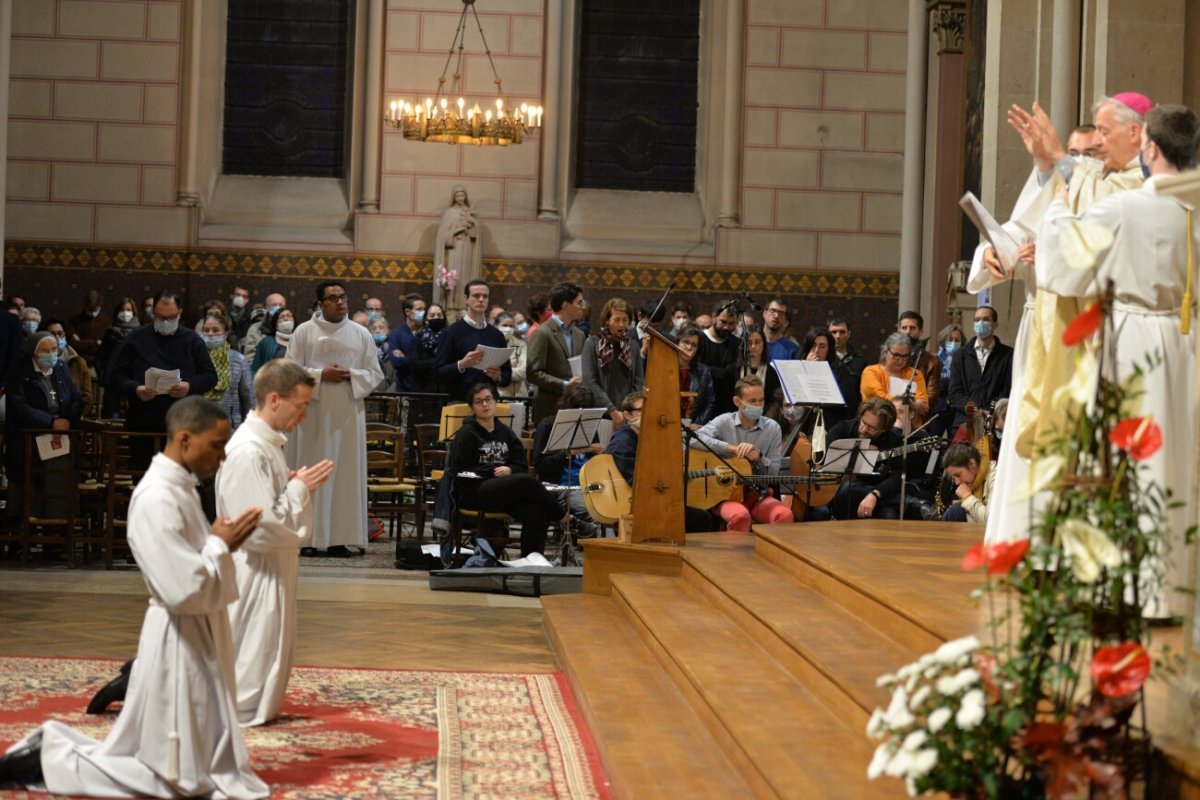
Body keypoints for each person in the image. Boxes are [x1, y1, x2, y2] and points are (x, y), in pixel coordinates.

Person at [0, 397, 268, 799]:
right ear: (184, 439)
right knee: (175, 780)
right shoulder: (157, 497)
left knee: (187, 756)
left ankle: (53, 749)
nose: (223, 455)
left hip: (194, 627)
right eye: (216, 444)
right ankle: (50, 758)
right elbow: (180, 588)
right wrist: (218, 545)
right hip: (177, 630)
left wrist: (219, 545)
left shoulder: (181, 488)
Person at [1034, 103, 1199, 618]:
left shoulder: (1129, 206)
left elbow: (1065, 257)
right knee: (1173, 464)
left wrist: (1060, 202)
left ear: (1149, 147)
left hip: (1129, 340)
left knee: (1125, 462)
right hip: (1183, 340)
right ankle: (1168, 593)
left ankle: (1125, 588)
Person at [218, 359, 333, 727]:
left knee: (264, 644)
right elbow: (259, 527)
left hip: (269, 568)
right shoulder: (249, 451)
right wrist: (298, 490)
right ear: (274, 399)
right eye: (300, 406)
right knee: (251, 647)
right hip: (254, 569)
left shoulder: (266, 446)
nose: (304, 416)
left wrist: (289, 485)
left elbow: (266, 503)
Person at [287, 280, 383, 557]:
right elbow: (289, 372)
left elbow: (375, 374)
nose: (340, 302)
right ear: (320, 304)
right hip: (311, 415)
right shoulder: (304, 332)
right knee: (311, 471)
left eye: (343, 297)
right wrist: (319, 375)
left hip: (347, 415)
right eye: (332, 298)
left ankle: (341, 538)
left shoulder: (361, 334)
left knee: (343, 475)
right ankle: (307, 539)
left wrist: (351, 374)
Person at [449, 382, 566, 558]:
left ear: (495, 401)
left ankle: (530, 562)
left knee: (536, 509)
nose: (485, 405)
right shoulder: (466, 433)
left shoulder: (505, 432)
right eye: (479, 401)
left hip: (503, 492)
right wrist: (492, 470)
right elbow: (460, 472)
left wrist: (510, 470)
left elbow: (521, 465)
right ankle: (565, 518)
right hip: (474, 491)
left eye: (488, 399)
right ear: (472, 407)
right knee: (526, 481)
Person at [110, 290, 218, 469]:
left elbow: (210, 376)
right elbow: (116, 376)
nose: (166, 322)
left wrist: (188, 386)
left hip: (183, 424)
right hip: (143, 422)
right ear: (153, 313)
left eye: (171, 317)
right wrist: (136, 389)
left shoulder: (192, 340)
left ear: (180, 313)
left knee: (180, 483)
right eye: (160, 317)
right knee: (144, 479)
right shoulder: (136, 338)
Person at [603, 390, 716, 534]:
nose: (651, 413)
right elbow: (635, 481)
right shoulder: (623, 442)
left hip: (652, 500)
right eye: (643, 410)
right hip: (634, 505)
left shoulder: (651, 438)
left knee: (701, 513)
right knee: (702, 519)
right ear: (627, 415)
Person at [690, 376, 793, 532]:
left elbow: (773, 472)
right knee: (740, 516)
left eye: (761, 400)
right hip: (726, 495)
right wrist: (731, 448)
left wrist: (759, 457)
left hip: (757, 495)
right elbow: (693, 439)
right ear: (737, 401)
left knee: (784, 515)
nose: (758, 405)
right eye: (752, 401)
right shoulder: (724, 421)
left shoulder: (773, 428)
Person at [4, 332, 83, 521]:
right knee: (30, 482)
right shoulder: (19, 371)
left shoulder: (61, 368)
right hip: (29, 436)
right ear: (33, 352)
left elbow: (76, 396)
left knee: (59, 479)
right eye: (45, 351)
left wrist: (67, 420)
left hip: (60, 434)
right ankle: (26, 526)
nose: (51, 354)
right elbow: (18, 405)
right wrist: (50, 422)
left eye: (54, 350)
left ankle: (57, 527)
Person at [814, 398, 905, 520]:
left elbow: (898, 476)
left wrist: (874, 494)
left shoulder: (894, 440)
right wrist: (861, 450)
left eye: (871, 427)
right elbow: (823, 455)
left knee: (889, 514)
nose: (864, 429)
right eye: (863, 422)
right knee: (848, 487)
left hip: (876, 495)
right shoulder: (843, 428)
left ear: (883, 429)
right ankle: (908, 502)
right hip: (839, 493)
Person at [532, 383, 604, 537]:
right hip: (560, 487)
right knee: (592, 508)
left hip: (587, 487)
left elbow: (595, 466)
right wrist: (568, 453)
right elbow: (539, 466)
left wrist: (600, 455)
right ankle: (599, 549)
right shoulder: (548, 425)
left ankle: (590, 540)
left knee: (609, 501)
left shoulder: (589, 427)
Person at [435, 280, 512, 401]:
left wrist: (498, 376)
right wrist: (462, 364)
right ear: (466, 299)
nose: (481, 299)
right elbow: (438, 373)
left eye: (485, 296)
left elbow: (507, 375)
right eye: (476, 295)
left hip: (489, 403)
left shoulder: (497, 335)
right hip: (460, 400)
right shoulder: (450, 332)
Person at [528, 281, 587, 425]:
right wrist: (565, 385)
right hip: (549, 408)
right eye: (579, 302)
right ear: (566, 305)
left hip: (575, 407)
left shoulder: (579, 334)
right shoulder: (542, 333)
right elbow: (533, 373)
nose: (583, 306)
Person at [946, 306, 1013, 433]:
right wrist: (975, 410)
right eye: (977, 320)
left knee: (990, 451)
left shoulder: (1008, 354)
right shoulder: (960, 355)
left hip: (995, 420)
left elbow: (1008, 389)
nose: (980, 323)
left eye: (986, 319)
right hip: (965, 420)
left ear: (995, 324)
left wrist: (990, 411)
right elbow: (955, 393)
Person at [582, 297, 643, 430]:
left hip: (627, 416)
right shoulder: (592, 343)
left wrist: (627, 412)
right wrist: (613, 411)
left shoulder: (633, 346)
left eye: (625, 320)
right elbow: (590, 381)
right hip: (599, 414)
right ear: (607, 320)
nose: (621, 325)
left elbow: (638, 382)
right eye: (617, 319)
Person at [200, 313, 253, 429]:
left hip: (230, 425)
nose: (210, 334)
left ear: (225, 334)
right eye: (206, 330)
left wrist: (250, 426)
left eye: (215, 330)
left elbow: (247, 395)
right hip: (199, 423)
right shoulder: (195, 358)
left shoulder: (238, 360)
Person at [434, 185, 483, 308]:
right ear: (453, 197)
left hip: (467, 248)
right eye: (457, 195)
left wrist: (472, 225)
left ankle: (465, 304)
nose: (460, 198)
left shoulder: (469, 212)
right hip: (454, 250)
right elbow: (442, 236)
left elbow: (476, 233)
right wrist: (455, 232)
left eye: (462, 195)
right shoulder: (449, 212)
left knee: (466, 275)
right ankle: (451, 305)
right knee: (454, 276)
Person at [860, 332, 928, 419]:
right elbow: (880, 400)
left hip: (910, 425)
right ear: (885, 352)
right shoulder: (871, 372)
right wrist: (911, 405)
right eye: (896, 355)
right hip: (878, 423)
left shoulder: (915, 374)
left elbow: (923, 405)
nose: (900, 360)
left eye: (905, 356)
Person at [97, 297, 141, 418]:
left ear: (133, 312)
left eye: (128, 309)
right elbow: (101, 356)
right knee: (112, 415)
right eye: (122, 309)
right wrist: (103, 375)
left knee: (135, 415)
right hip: (112, 379)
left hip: (133, 379)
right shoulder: (110, 333)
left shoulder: (140, 333)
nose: (125, 313)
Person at [40, 318, 93, 419]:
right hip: (44, 419)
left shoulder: (78, 363)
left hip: (71, 420)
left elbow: (86, 397)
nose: (56, 337)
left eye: (60, 333)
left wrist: (71, 417)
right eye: (52, 334)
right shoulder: (40, 362)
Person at [896, 311, 941, 421]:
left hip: (917, 418)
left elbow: (931, 396)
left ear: (920, 332)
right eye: (904, 328)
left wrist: (909, 406)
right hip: (891, 415)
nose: (907, 332)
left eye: (912, 328)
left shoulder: (931, 362)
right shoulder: (889, 357)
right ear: (898, 330)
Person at [939, 442, 996, 524]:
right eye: (953, 478)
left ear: (971, 464)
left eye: (958, 475)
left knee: (955, 511)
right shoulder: (972, 479)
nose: (957, 482)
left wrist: (967, 497)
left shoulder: (996, 476)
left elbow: (991, 521)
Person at [673, 326, 716, 428]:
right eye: (685, 342)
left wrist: (697, 424)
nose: (689, 348)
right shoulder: (665, 367)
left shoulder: (704, 371)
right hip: (667, 423)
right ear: (677, 343)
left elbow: (710, 402)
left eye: (694, 345)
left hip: (692, 426)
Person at [386, 294, 426, 391]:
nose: (423, 312)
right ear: (408, 312)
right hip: (404, 389)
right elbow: (396, 363)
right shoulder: (396, 334)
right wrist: (422, 361)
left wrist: (406, 358)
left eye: (424, 309)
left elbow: (435, 361)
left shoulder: (427, 332)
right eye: (419, 309)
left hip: (425, 388)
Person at [827, 316, 867, 409]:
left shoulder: (860, 361)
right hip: (827, 410)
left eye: (842, 332)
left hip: (851, 413)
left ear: (849, 334)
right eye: (834, 332)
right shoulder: (822, 359)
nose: (838, 336)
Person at [410, 302, 448, 394]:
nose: (436, 318)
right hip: (422, 389)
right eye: (432, 315)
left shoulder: (450, 337)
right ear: (426, 319)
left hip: (444, 389)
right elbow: (414, 365)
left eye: (439, 315)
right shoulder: (418, 338)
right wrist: (438, 361)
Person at [67, 289, 109, 367]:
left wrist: (82, 342)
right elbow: (73, 344)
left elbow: (106, 346)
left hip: (100, 363)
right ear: (85, 306)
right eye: (90, 309)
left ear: (100, 305)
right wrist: (95, 342)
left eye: (95, 309)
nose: (92, 312)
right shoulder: (75, 321)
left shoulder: (107, 322)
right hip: (79, 362)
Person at [250, 307, 294, 376]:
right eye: (281, 317)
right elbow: (255, 369)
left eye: (289, 316)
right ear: (275, 324)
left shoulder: (300, 340)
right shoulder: (266, 342)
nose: (286, 319)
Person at [495, 311, 530, 397]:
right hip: (499, 394)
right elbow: (487, 372)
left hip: (519, 395)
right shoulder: (490, 343)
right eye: (505, 325)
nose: (508, 329)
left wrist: (501, 373)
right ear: (496, 326)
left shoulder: (520, 344)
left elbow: (523, 372)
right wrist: (513, 369)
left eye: (511, 326)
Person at [242, 292, 287, 357]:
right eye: (274, 305)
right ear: (267, 307)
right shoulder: (255, 329)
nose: (278, 308)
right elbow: (250, 357)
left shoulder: (291, 328)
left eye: (281, 305)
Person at [368, 316, 396, 391]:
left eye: (381, 327)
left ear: (387, 330)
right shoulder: (366, 352)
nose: (377, 331)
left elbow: (399, 378)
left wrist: (389, 396)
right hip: (374, 397)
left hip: (393, 398)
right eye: (374, 329)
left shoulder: (395, 349)